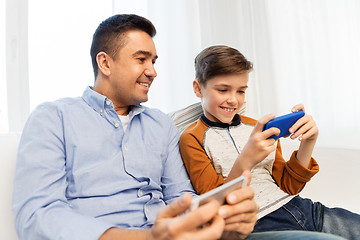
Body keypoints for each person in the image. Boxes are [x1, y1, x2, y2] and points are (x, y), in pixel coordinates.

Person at [12, 14, 347, 240]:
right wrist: (149, 237)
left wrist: (222, 221)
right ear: (105, 63)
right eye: (141, 59)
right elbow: (37, 214)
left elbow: (184, 198)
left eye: (154, 62)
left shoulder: (160, 125)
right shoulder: (53, 117)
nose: (153, 71)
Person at [179, 45, 360, 240]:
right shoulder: (191, 138)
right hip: (259, 222)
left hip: (302, 208)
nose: (233, 100)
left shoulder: (256, 127)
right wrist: (246, 159)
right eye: (223, 90)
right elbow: (215, 203)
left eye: (241, 91)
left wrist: (308, 142)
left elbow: (289, 186)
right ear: (198, 88)